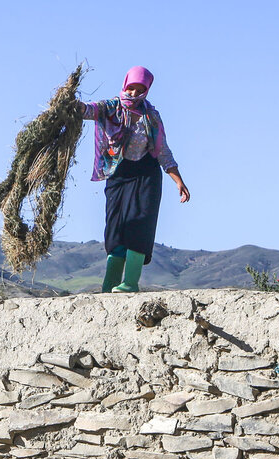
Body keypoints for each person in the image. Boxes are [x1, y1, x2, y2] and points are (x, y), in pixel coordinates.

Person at [79, 66, 190, 293]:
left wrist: (178, 180)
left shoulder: (151, 116)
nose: (133, 94)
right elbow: (86, 111)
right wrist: (68, 103)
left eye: (140, 90)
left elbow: (163, 152)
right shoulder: (110, 108)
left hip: (146, 176)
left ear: (147, 91)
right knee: (116, 228)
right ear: (125, 85)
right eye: (131, 88)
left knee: (139, 225)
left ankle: (130, 284)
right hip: (118, 175)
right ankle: (109, 286)